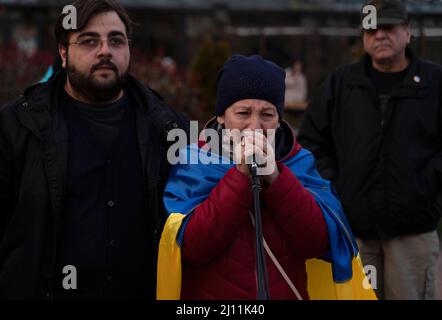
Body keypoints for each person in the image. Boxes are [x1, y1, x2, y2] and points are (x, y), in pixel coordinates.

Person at [0, 0, 188, 299]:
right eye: (89, 41)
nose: (105, 51)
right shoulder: (17, 127)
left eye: (116, 40)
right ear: (64, 53)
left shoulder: (167, 129)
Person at [157, 55, 376, 300]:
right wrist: (240, 176)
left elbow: (319, 243)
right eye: (243, 113)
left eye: (267, 115)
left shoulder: (298, 162)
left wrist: (276, 177)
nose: (255, 126)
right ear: (221, 116)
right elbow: (192, 248)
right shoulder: (195, 160)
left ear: (280, 120)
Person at [298, 0, 442, 300]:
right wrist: (336, 189)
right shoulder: (341, 84)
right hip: (354, 232)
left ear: (408, 32)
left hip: (412, 233)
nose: (379, 35)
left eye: (388, 27)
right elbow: (312, 143)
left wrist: (427, 187)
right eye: (371, 29)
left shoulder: (433, 83)